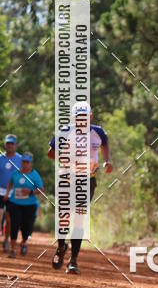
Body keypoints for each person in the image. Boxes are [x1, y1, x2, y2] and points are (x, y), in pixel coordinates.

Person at [48, 102, 113, 274]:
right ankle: (61, 247)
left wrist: (107, 160)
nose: (82, 121)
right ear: (74, 118)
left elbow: (105, 144)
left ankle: (73, 260)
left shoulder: (98, 132)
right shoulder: (65, 131)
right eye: (79, 118)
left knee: (78, 218)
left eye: (85, 117)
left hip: (87, 181)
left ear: (90, 116)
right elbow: (51, 153)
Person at [4, 152, 44, 257]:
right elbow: (10, 183)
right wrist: (7, 193)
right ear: (21, 162)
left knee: (26, 226)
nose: (25, 164)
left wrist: (30, 192)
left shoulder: (35, 175)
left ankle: (24, 242)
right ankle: (13, 249)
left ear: (31, 163)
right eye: (24, 162)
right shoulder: (16, 173)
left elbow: (41, 189)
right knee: (14, 224)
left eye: (28, 162)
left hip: (30, 205)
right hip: (15, 203)